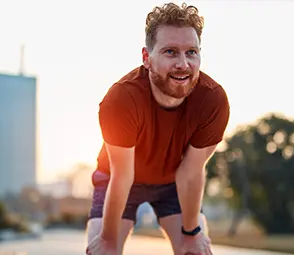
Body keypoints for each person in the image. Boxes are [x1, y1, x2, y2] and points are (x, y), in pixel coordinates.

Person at [85, 2, 230, 255]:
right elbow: (123, 176)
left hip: (174, 181)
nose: (183, 64)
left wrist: (191, 232)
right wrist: (107, 239)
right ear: (146, 58)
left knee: (195, 250)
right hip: (120, 178)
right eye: (171, 52)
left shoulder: (213, 100)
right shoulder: (121, 99)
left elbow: (191, 172)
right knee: (102, 250)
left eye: (191, 52)